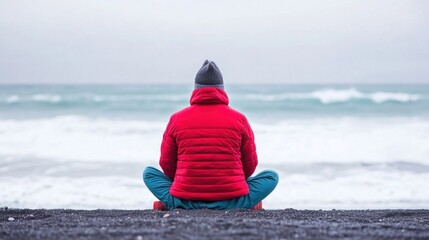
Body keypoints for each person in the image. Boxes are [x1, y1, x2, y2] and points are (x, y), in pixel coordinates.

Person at [143, 60, 279, 210]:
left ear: (196, 89)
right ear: (221, 89)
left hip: (186, 200)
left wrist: (186, 182)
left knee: (149, 174)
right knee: (271, 176)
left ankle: (173, 203)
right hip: (232, 201)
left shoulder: (176, 119)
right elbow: (250, 166)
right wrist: (232, 182)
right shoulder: (240, 119)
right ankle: (246, 203)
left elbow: (167, 165)